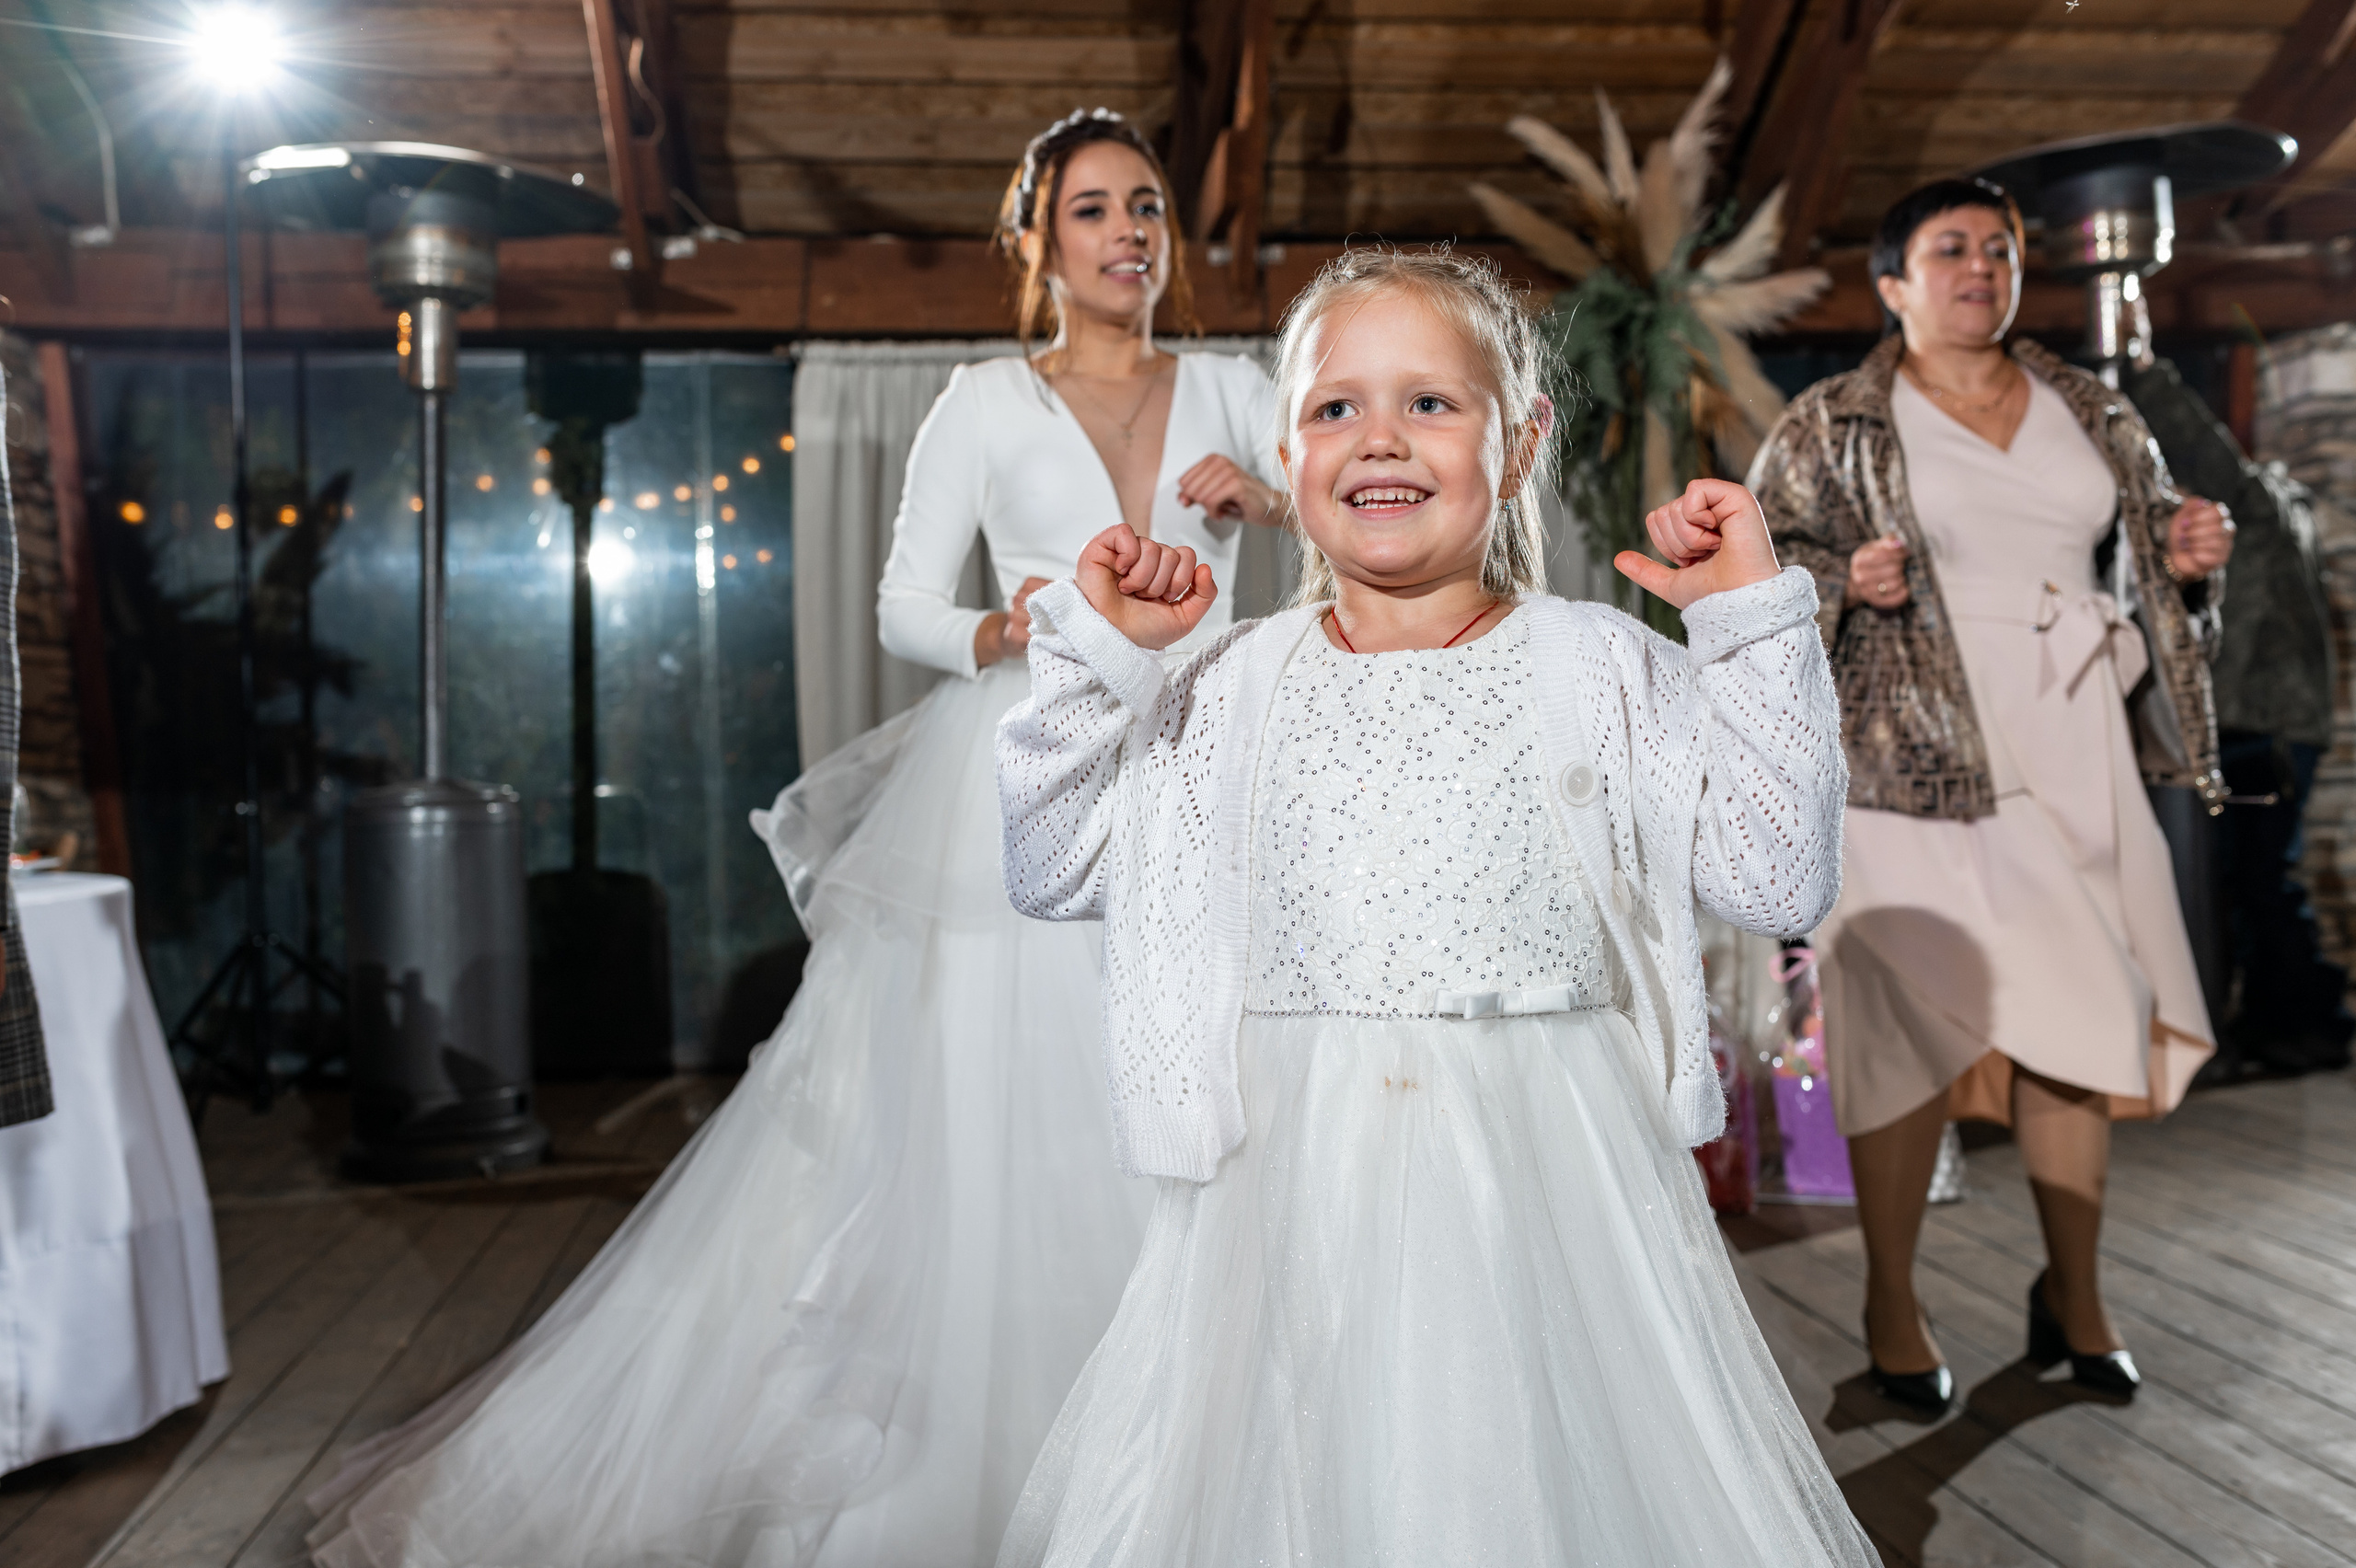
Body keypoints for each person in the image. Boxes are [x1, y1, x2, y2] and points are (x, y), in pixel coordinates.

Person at [304, 109, 1286, 1568]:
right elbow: (902, 605)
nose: (1131, 232)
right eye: (1095, 210)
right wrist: (999, 626)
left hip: (1203, 758)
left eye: (1148, 207)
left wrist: (1265, 496)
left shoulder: (1242, 386)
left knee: (1201, 1078)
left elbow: (1354, 528)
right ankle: (988, 1438)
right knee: (1012, 1095)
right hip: (1024, 759)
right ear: (1038, 240)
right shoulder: (979, 404)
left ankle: (1192, 1440)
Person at [991, 248, 1874, 1564]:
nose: (1378, 439)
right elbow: (1051, 863)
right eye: (1335, 408)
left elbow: (1774, 874)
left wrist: (1749, 626)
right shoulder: (1224, 685)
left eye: (1430, 404)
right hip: (1284, 1192)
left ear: (1518, 447)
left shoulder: (1599, 665)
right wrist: (1099, 660)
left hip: (1550, 1175)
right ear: (1287, 457)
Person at [1750, 178, 2234, 1411]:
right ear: (1894, 283)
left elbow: (2150, 562)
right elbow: (1744, 581)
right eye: (1950, 249)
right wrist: (1840, 578)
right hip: (1906, 765)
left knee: (2078, 1021)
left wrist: (2181, 567)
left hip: (2074, 744)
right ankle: (1892, 1302)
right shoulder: (1831, 422)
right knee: (1906, 1034)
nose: (1982, 268)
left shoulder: (2095, 407)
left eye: (2002, 250)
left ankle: (2076, 1294)